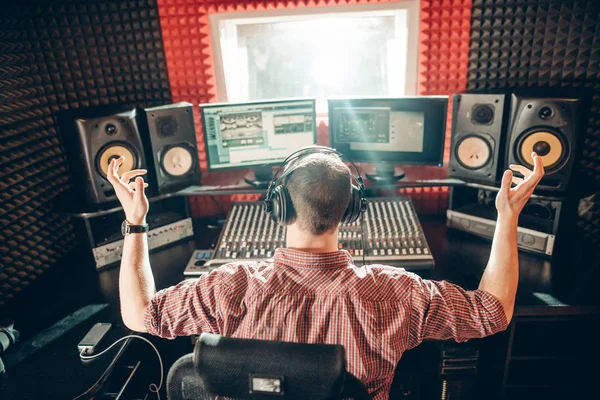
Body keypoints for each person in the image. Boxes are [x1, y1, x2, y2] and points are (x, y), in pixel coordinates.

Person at [106, 148, 544, 400]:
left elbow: (138, 313)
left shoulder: (228, 286)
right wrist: (506, 218)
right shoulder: (396, 293)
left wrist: (137, 221)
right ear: (351, 211)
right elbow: (493, 313)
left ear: (279, 206)